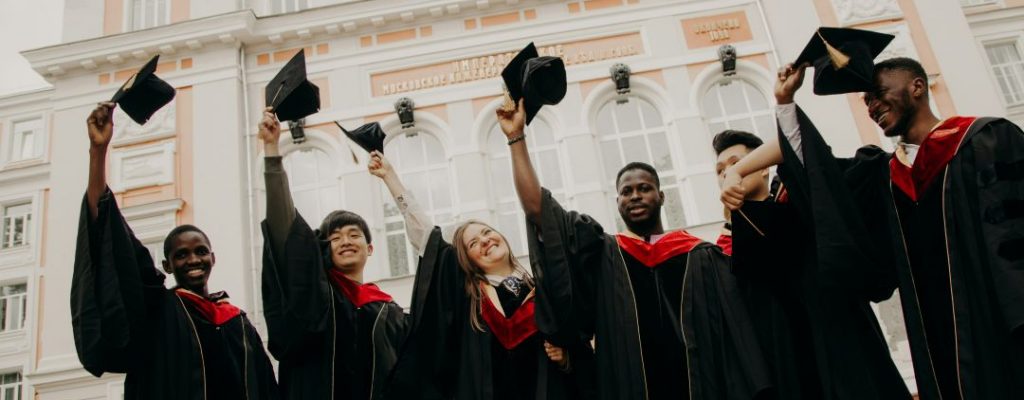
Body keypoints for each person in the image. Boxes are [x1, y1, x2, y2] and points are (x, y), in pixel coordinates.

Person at [722, 57, 1024, 399]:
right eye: (866, 101)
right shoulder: (885, 175)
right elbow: (821, 178)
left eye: (878, 94)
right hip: (935, 335)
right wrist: (784, 103)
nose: (872, 106)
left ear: (917, 86)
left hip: (1000, 322)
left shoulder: (987, 140)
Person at [497, 99, 772, 400]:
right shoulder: (603, 254)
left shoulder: (700, 255)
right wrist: (516, 138)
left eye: (644, 188)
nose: (635, 196)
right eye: (626, 192)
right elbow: (541, 213)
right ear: (618, 203)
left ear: (662, 196)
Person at [72, 102, 280, 400]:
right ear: (167, 266)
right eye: (181, 255)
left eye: (200, 251)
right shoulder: (158, 310)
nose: (193, 259)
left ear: (213, 258)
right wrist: (98, 152)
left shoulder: (238, 322)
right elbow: (110, 234)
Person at [369, 149, 593, 400]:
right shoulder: (470, 298)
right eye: (473, 243)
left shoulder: (542, 291)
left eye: (486, 232)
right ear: (467, 260)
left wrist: (565, 359)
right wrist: (391, 178)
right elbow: (427, 237)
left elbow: (579, 352)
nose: (485, 241)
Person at [713, 130, 909, 399]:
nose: (726, 174)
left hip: (844, 347)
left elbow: (796, 139)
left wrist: (738, 172)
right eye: (720, 170)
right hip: (790, 370)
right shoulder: (726, 249)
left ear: (762, 168)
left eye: (736, 163)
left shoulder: (801, 198)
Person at [257, 108, 408, 400]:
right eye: (335, 237)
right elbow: (285, 231)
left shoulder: (389, 312)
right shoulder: (316, 295)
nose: (345, 241)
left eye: (354, 235)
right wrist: (272, 149)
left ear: (370, 248)